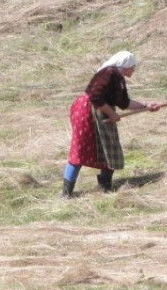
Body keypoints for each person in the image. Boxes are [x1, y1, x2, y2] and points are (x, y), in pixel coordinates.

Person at [63, 51, 160, 198]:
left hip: (99, 110)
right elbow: (95, 97)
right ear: (124, 66)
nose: (133, 70)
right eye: (132, 67)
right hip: (87, 112)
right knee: (80, 150)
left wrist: (147, 106)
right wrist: (111, 113)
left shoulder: (118, 78)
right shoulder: (109, 73)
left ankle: (105, 187)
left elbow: (124, 103)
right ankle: (66, 193)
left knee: (110, 147)